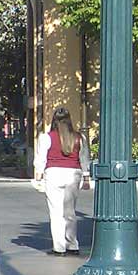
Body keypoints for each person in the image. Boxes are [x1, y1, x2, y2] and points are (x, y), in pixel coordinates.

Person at [33, 107, 88, 256]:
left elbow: (41, 158)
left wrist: (38, 177)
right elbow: (83, 158)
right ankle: (72, 244)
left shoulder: (47, 137)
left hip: (54, 173)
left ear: (54, 121)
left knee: (56, 212)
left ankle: (59, 247)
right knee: (70, 212)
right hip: (73, 173)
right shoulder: (79, 138)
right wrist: (87, 177)